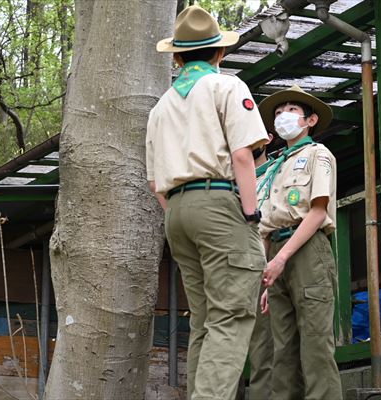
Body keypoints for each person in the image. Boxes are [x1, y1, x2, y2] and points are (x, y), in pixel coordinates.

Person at [146, 6, 268, 400]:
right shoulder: (227, 87)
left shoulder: (160, 107)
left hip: (177, 214)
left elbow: (155, 184)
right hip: (218, 204)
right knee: (232, 315)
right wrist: (250, 215)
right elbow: (243, 156)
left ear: (177, 57)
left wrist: (183, 212)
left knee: (204, 321)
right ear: (220, 53)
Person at [257, 85, 343, 399]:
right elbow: (266, 224)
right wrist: (269, 275)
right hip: (276, 254)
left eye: (291, 110)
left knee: (316, 347)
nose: (283, 117)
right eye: (278, 113)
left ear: (310, 120)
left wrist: (282, 259)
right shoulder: (275, 165)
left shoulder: (318, 155)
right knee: (283, 352)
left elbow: (318, 212)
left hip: (307, 249)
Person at [245, 134, 275, 400]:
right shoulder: (227, 179)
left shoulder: (278, 171)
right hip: (229, 269)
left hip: (263, 270)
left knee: (263, 353)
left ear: (266, 140)